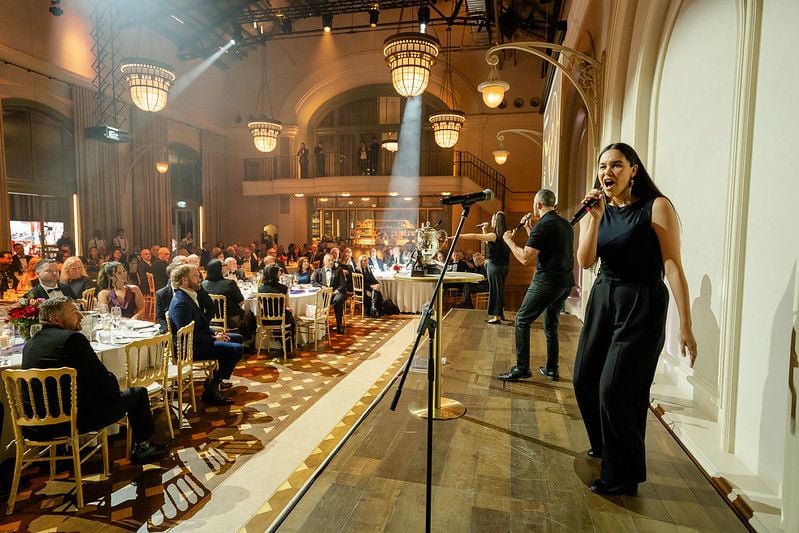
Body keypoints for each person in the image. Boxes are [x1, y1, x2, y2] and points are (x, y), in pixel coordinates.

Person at [572, 142, 698, 496]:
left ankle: (623, 477)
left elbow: (672, 265)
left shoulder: (656, 206)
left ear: (633, 170)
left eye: (616, 165)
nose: (607, 172)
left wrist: (686, 323)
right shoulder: (598, 210)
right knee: (584, 378)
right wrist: (594, 219)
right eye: (602, 166)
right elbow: (585, 261)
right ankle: (605, 446)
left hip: (641, 301)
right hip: (604, 297)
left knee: (616, 389)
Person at [21, 297, 167, 463]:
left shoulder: (30, 343)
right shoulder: (72, 340)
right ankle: (143, 448)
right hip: (71, 422)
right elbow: (103, 381)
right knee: (138, 393)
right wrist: (114, 389)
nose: (81, 316)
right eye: (74, 312)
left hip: (34, 424)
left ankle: (61, 452)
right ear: (54, 319)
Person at [497, 189, 574, 382]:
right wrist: (529, 228)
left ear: (538, 204)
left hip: (547, 281)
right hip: (565, 282)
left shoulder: (544, 226)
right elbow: (541, 247)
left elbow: (525, 258)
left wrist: (508, 241)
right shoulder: (563, 224)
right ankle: (551, 368)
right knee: (551, 325)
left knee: (522, 319)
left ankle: (522, 368)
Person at [168, 264, 245, 405]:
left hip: (199, 340)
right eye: (195, 276)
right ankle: (212, 389)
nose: (200, 278)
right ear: (184, 280)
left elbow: (199, 326)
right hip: (190, 348)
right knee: (236, 349)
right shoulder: (181, 303)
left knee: (238, 338)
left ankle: (213, 380)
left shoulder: (189, 295)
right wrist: (214, 338)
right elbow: (187, 335)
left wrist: (215, 333)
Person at [456, 212, 510, 323]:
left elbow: (475, 236)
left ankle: (496, 317)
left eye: (493, 219)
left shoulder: (494, 235)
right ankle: (500, 314)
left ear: (496, 222)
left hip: (494, 267)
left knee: (495, 291)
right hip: (503, 267)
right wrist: (484, 229)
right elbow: (487, 242)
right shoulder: (505, 235)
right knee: (499, 290)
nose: (491, 221)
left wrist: (457, 236)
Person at [202, 259, 255, 341]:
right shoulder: (230, 283)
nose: (226, 267)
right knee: (249, 314)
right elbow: (241, 302)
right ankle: (247, 341)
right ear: (219, 269)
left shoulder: (203, 284)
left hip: (209, 319)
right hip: (230, 319)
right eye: (224, 265)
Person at [258, 265, 297, 343]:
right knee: (291, 316)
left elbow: (261, 304)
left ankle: (277, 339)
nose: (280, 273)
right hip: (281, 319)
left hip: (266, 319)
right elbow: (287, 305)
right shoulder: (283, 288)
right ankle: (288, 343)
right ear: (275, 274)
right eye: (279, 272)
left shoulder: (260, 289)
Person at [310, 253, 347, 334]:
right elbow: (313, 282)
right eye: (329, 260)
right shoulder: (318, 271)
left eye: (332, 260)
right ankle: (322, 324)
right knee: (316, 300)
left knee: (338, 300)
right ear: (324, 261)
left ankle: (339, 324)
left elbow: (342, 285)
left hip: (335, 294)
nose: (331, 262)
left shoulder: (338, 270)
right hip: (324, 295)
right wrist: (322, 287)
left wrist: (335, 292)